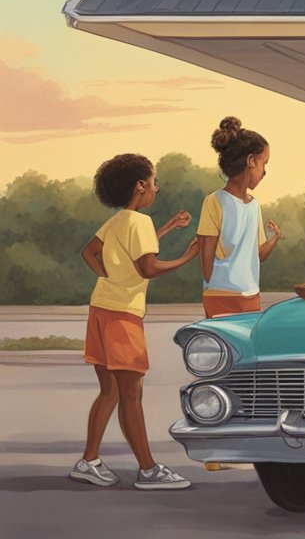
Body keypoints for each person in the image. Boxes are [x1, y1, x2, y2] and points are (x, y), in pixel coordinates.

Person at [72, 154, 199, 490]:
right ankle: (147, 470)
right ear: (140, 185)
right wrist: (188, 256)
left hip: (100, 308)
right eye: (154, 180)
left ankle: (89, 461)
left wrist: (110, 275)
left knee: (109, 391)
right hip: (123, 316)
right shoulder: (139, 224)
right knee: (131, 394)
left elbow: (89, 252)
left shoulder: (118, 221)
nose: (157, 187)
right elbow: (148, 268)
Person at [198, 117, 281, 318]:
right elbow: (206, 261)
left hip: (251, 294)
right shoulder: (214, 201)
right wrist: (216, 286)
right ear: (251, 161)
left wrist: (275, 237)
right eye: (264, 163)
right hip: (221, 296)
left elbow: (258, 254)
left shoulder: (254, 206)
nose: (265, 172)